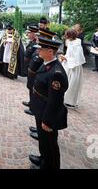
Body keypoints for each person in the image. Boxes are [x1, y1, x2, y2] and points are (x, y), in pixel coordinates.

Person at [29, 33, 68, 169]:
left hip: (47, 114)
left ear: (50, 51)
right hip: (41, 109)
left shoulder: (56, 73)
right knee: (43, 140)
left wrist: (47, 120)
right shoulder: (47, 64)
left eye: (41, 49)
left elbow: (55, 101)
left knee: (50, 144)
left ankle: (49, 166)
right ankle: (43, 159)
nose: (38, 50)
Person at [60, 28, 86, 108]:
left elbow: (78, 58)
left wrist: (66, 58)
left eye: (67, 34)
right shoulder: (70, 42)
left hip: (74, 67)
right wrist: (64, 57)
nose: (66, 36)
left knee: (72, 84)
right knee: (65, 82)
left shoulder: (77, 45)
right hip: (68, 65)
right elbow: (69, 54)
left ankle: (70, 101)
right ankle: (64, 99)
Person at [22, 25, 42, 120]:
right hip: (30, 69)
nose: (28, 34)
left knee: (33, 89)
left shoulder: (36, 44)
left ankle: (33, 108)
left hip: (34, 71)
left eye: (29, 33)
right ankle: (31, 103)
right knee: (30, 87)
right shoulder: (32, 42)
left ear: (34, 34)